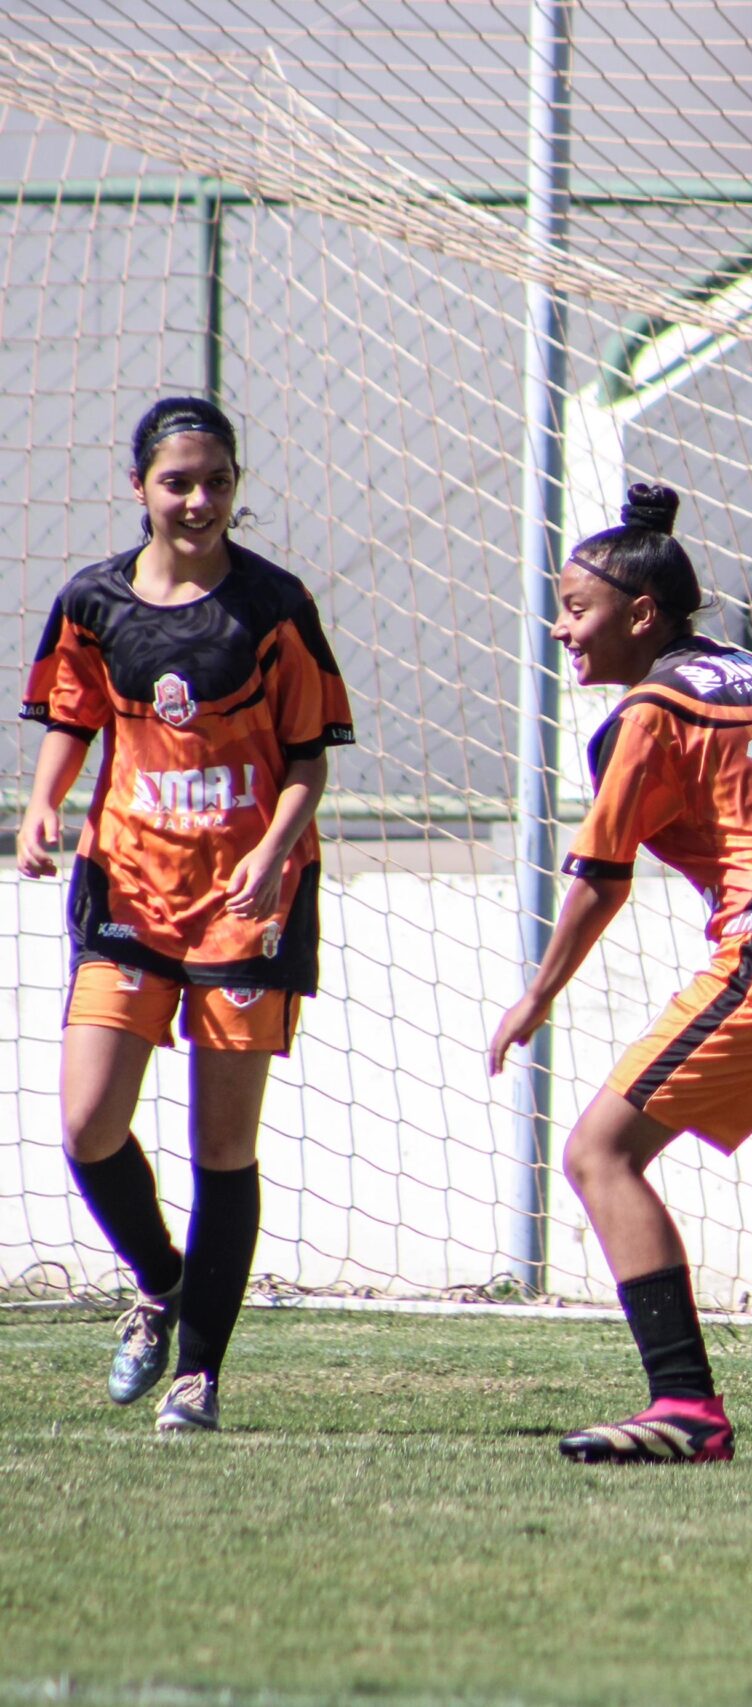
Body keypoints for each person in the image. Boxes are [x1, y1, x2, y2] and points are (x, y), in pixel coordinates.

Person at [487, 483, 752, 1466]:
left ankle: (686, 1407)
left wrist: (538, 993)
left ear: (642, 616)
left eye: (577, 610)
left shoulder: (652, 709)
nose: (561, 630)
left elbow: (598, 875)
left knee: (598, 1153)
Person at [16, 395, 355, 1433]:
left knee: (222, 1148)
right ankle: (163, 1284)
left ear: (236, 487)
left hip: (245, 902)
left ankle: (198, 1375)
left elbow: (307, 757)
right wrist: (42, 802)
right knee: (87, 1123)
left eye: (216, 481)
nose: (198, 499)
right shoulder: (94, 602)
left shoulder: (274, 607)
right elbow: (73, 713)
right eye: (178, 481)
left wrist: (268, 850)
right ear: (140, 489)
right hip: (128, 884)